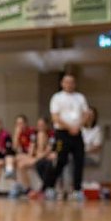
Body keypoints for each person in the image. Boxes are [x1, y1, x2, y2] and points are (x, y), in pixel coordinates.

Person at [41, 73, 89, 201]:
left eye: (72, 82)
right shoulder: (57, 98)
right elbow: (55, 117)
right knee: (60, 160)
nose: (69, 84)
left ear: (75, 83)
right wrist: (69, 127)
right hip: (62, 134)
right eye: (66, 82)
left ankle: (77, 190)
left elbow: (86, 114)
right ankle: (49, 187)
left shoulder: (80, 97)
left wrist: (78, 126)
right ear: (62, 83)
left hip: (77, 133)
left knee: (79, 160)